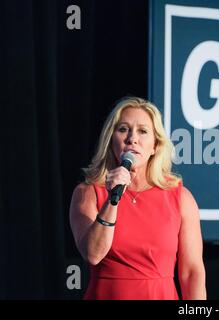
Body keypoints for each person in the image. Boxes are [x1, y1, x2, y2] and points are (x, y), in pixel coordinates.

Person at [69, 96, 206, 300]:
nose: (132, 138)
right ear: (111, 140)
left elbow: (192, 272)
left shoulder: (181, 198)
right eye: (123, 129)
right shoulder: (87, 192)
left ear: (154, 146)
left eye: (143, 131)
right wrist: (112, 199)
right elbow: (93, 254)